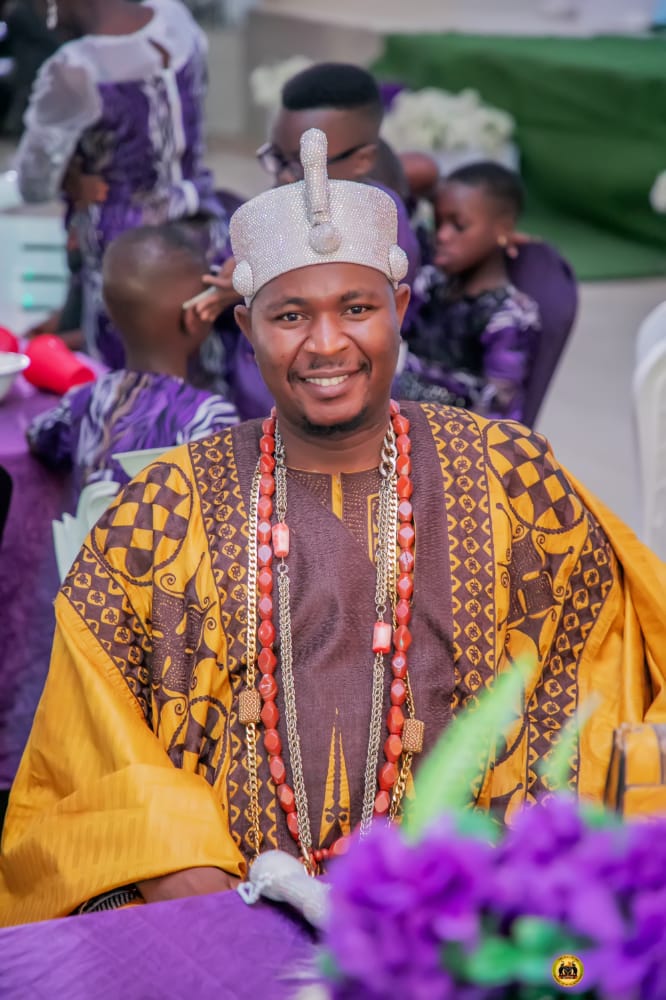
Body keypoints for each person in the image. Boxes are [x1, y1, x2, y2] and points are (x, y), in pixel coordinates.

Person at [2, 127, 665, 927]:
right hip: (233, 913)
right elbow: (93, 741)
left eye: (356, 308)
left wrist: (521, 871)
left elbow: (599, 686)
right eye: (290, 315)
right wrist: (181, 864)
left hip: (473, 917)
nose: (326, 344)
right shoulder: (165, 507)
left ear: (400, 309)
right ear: (245, 330)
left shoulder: (512, 475)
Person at [197, 62, 422, 421]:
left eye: (303, 163)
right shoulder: (271, 210)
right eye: (278, 158)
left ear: (363, 159)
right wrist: (230, 286)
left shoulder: (380, 219)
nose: (286, 176)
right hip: (258, 405)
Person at [15, 0, 230, 372]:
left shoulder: (75, 69)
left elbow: (34, 183)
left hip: (125, 260)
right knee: (199, 367)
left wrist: (68, 175)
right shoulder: (176, 19)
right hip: (203, 235)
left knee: (124, 383)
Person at [26, 223, 239, 496]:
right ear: (195, 317)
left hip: (89, 539)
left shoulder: (89, 399)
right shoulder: (210, 418)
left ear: (111, 317)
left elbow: (37, 437)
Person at [399, 161, 541, 422]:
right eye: (438, 222)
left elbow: (501, 411)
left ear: (503, 228)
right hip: (392, 418)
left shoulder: (509, 314)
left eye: (459, 225)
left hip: (450, 442)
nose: (441, 235)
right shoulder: (430, 283)